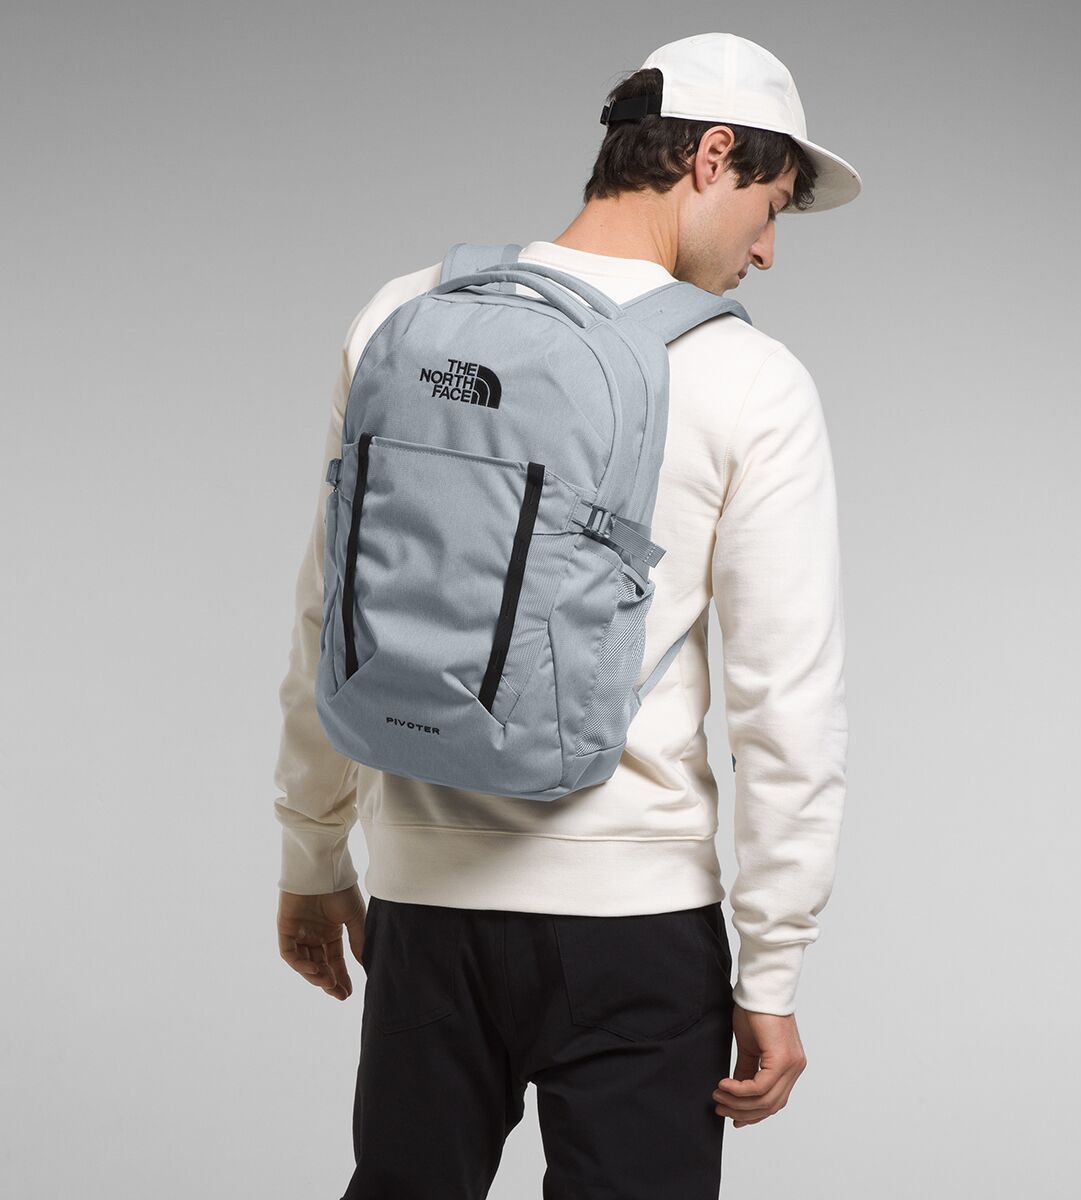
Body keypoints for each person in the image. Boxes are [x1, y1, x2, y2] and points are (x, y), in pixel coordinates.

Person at [273, 31, 858, 1200]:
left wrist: (312, 849)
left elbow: (327, 612)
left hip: (424, 908)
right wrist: (773, 968)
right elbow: (785, 707)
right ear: (713, 155)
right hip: (633, 929)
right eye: (772, 205)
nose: (769, 249)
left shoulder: (401, 313)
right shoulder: (752, 382)